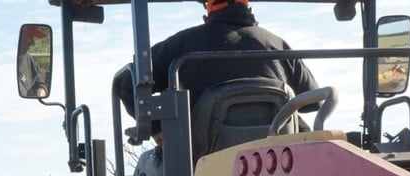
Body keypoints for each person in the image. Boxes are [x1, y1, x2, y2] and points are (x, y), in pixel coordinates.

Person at [120, 0, 319, 134]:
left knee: (149, 165)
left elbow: (126, 83)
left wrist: (157, 128)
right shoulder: (278, 46)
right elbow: (313, 101)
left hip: (199, 165)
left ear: (207, 16)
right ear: (248, 10)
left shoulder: (180, 44)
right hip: (277, 162)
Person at [18, 25, 49, 98]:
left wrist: (41, 89)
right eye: (30, 37)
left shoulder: (27, 57)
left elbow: (38, 76)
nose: (33, 43)